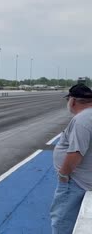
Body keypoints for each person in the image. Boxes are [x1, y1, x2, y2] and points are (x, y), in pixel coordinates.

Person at [51, 83, 92, 233]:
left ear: (72, 101)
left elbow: (76, 153)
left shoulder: (82, 120)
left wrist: (63, 175)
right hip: (86, 180)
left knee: (62, 222)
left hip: (76, 182)